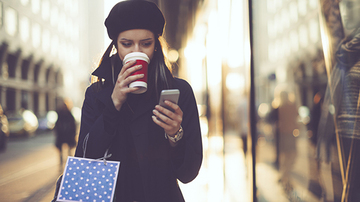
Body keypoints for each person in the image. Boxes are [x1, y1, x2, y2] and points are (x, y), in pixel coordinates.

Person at [73, 1, 203, 201]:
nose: (137, 51)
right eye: (127, 44)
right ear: (116, 44)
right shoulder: (96, 94)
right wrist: (113, 103)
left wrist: (175, 134)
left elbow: (188, 174)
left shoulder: (178, 91)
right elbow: (85, 164)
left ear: (156, 45)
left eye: (146, 43)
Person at [54, 98, 77, 167]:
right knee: (60, 152)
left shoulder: (69, 114)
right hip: (61, 135)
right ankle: (61, 164)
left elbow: (73, 125)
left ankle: (70, 165)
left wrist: (73, 134)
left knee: (69, 152)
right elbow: (57, 124)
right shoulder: (60, 114)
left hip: (68, 135)